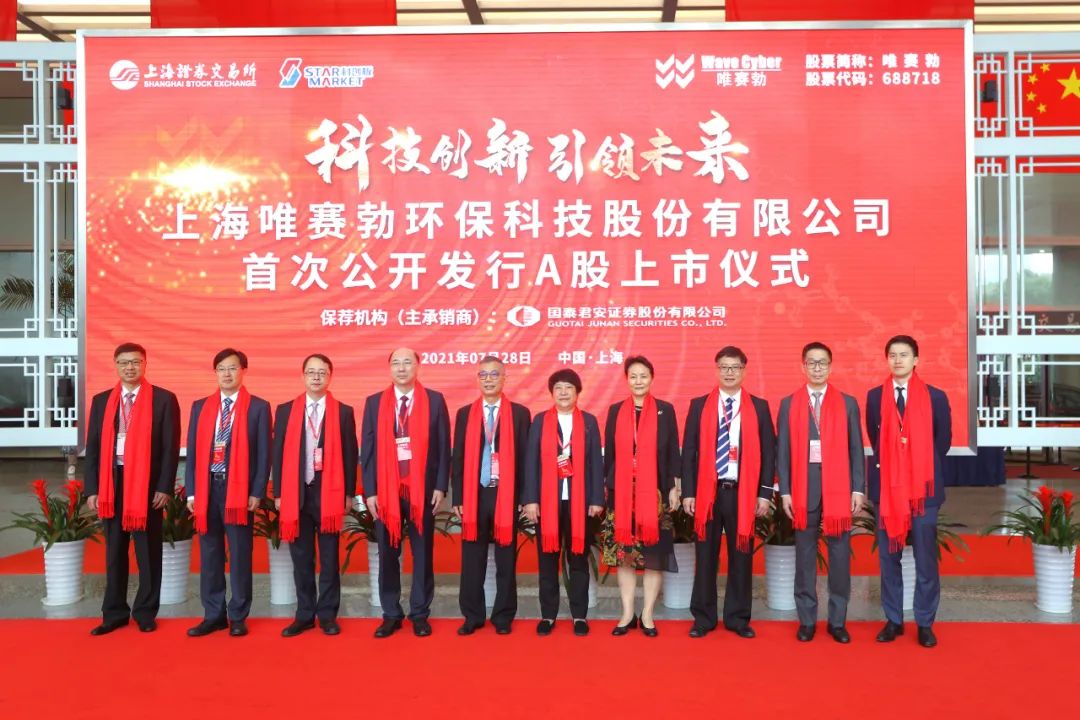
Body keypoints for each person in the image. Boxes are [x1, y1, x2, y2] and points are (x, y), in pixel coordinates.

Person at [84, 342, 180, 635]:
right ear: (115, 365)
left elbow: (170, 448)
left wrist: (164, 486)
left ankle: (145, 612)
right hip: (112, 484)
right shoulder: (102, 401)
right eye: (124, 362)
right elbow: (93, 448)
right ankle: (114, 614)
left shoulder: (163, 399)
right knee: (114, 553)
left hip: (147, 486)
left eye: (136, 362)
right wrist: (93, 489)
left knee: (148, 552)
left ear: (145, 364)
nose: (130, 367)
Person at [681, 346, 776, 639]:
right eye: (724, 367)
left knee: (741, 556)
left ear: (744, 371)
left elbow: (769, 453)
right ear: (717, 370)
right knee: (705, 556)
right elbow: (689, 452)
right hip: (707, 492)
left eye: (735, 367)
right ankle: (703, 618)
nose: (729, 372)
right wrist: (688, 492)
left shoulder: (759, 407)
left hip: (742, 493)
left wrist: (764, 493)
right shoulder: (699, 406)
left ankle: (737, 618)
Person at [866, 335, 952, 648]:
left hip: (923, 492)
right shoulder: (875, 397)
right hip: (888, 491)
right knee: (889, 557)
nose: (898, 360)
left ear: (916, 360)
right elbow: (875, 439)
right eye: (892, 355)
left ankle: (925, 622)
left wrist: (917, 470)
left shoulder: (936, 397)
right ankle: (893, 620)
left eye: (904, 355)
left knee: (925, 558)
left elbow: (941, 442)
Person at [776, 342, 865, 643]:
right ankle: (807, 620)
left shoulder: (848, 403)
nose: (817, 368)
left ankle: (837, 621)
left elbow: (856, 449)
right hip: (804, 492)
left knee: (839, 558)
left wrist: (858, 488)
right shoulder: (789, 404)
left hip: (839, 491)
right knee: (804, 557)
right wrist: (785, 491)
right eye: (811, 363)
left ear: (830, 366)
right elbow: (783, 452)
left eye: (822, 362)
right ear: (803, 366)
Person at [361, 348, 451, 638]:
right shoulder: (374, 403)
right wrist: (370, 491)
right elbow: (368, 451)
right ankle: (391, 614)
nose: (401, 368)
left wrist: (440, 486)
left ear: (417, 366)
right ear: (390, 368)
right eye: (396, 363)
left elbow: (443, 447)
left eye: (407, 362)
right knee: (388, 553)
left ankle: (420, 614)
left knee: (422, 554)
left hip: (423, 490)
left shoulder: (434, 400)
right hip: (386, 493)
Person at [185, 348, 271, 638]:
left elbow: (264, 454)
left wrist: (257, 491)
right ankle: (213, 614)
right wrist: (192, 492)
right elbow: (193, 452)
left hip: (239, 491)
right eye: (221, 368)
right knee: (209, 553)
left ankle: (237, 615)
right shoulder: (200, 407)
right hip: (207, 487)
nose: (227, 373)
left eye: (232, 368)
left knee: (240, 554)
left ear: (243, 371)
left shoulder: (258, 407)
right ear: (215, 372)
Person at [273, 354, 358, 637]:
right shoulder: (285, 411)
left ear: (330, 376)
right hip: (296, 494)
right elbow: (277, 454)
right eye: (311, 372)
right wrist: (279, 493)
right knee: (302, 559)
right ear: (303, 376)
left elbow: (350, 455)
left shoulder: (343, 412)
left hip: (330, 495)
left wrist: (349, 493)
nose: (316, 377)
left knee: (330, 560)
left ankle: (328, 615)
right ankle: (304, 615)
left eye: (322, 372)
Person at [600, 356, 681, 638]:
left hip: (655, 494)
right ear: (626, 380)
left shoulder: (665, 410)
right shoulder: (615, 411)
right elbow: (609, 455)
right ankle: (626, 613)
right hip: (622, 494)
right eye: (633, 376)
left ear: (652, 378)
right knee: (624, 555)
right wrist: (606, 487)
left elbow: (672, 452)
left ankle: (647, 614)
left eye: (643, 375)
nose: (638, 381)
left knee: (653, 556)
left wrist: (674, 487)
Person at [450, 356, 531, 636]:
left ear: (504, 378)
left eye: (494, 374)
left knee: (506, 560)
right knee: (472, 559)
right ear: (478, 379)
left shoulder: (520, 414)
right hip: (475, 495)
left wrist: (524, 497)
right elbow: (458, 458)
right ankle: (472, 616)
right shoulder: (465, 414)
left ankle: (503, 616)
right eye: (483, 374)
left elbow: (526, 459)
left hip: (506, 495)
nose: (488, 379)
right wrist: (458, 497)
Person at [522, 369, 604, 637]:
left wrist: (596, 499)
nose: (564, 392)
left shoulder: (589, 422)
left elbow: (596, 463)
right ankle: (548, 615)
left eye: (569, 387)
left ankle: (579, 615)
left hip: (581, 503)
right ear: (552, 393)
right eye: (558, 388)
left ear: (578, 392)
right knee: (547, 560)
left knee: (578, 559)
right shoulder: (540, 421)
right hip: (547, 503)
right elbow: (531, 462)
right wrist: (530, 500)